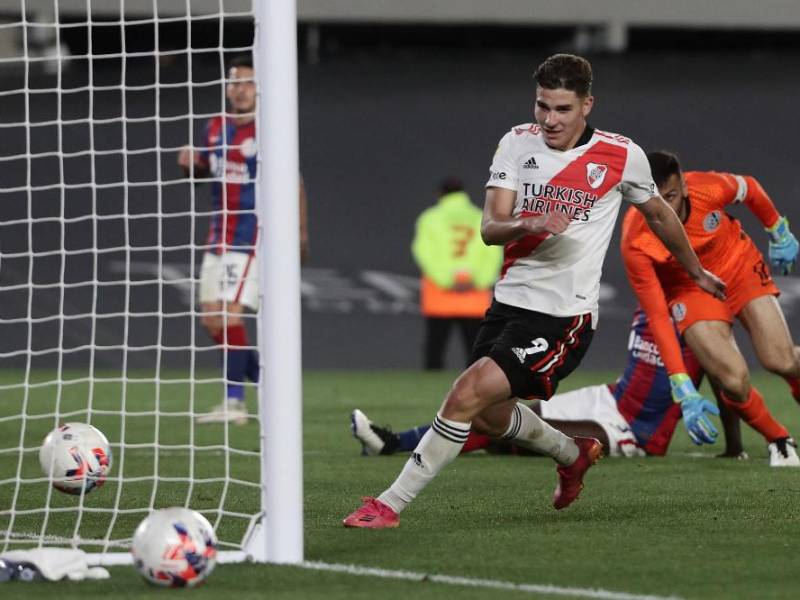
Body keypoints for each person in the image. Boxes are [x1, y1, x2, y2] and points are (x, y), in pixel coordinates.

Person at [342, 54, 725, 529]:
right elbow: (490, 227)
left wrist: (695, 270)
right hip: (509, 303)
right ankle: (572, 453)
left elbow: (661, 215)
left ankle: (389, 505)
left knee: (465, 395)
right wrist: (532, 221)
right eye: (542, 106)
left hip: (564, 316)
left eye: (562, 109)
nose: (549, 119)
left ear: (588, 104)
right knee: (486, 416)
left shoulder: (621, 154)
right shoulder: (516, 143)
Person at [350, 307, 750, 460]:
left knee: (515, 434)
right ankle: (395, 441)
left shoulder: (703, 322)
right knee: (494, 409)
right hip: (607, 397)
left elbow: (725, 381)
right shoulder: (651, 303)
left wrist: (734, 447)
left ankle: (395, 447)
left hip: (634, 431)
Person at [621, 150, 800, 465]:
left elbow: (750, 188)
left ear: (685, 188)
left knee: (781, 360)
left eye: (672, 196)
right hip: (688, 290)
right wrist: (682, 384)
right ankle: (780, 440)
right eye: (654, 200)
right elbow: (658, 315)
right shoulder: (636, 240)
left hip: (738, 266)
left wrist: (777, 229)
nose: (665, 209)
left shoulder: (708, 187)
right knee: (732, 379)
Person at [177, 55, 310, 425]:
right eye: (234, 82)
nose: (240, 90)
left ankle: (235, 403)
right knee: (211, 321)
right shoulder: (215, 128)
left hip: (252, 236)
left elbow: (295, 184)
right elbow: (200, 177)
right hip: (218, 234)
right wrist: (191, 164)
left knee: (228, 314)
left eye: (248, 83)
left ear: (260, 90)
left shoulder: (269, 131)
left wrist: (300, 233)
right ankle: (273, 393)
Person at [411, 176, 503, 369]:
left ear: (440, 194)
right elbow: (494, 252)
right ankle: (478, 391)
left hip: (440, 294)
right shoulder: (480, 216)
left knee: (435, 349)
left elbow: (423, 252)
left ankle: (430, 392)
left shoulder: (430, 218)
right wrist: (479, 280)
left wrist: (446, 280)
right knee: (476, 350)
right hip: (474, 295)